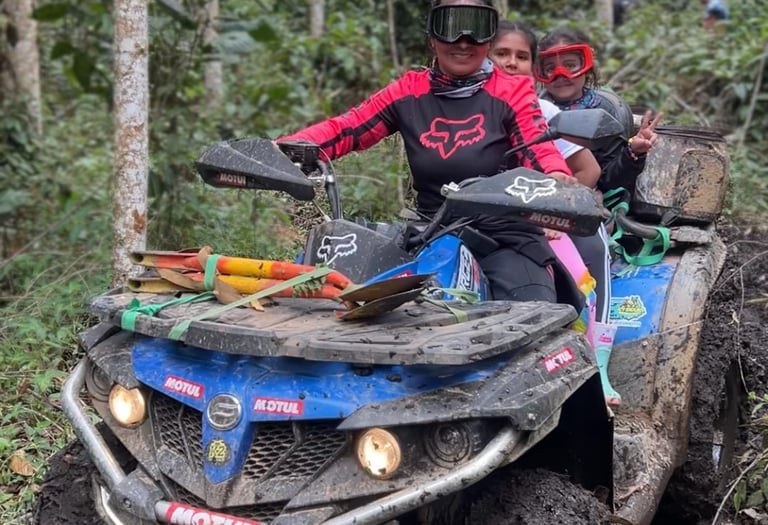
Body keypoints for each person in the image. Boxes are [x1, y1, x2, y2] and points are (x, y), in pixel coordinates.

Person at [278, 0, 581, 306]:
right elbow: (348, 128)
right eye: (450, 27)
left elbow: (537, 145)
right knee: (322, 296)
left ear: (489, 38)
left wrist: (556, 179)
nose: (463, 41)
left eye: (476, 29)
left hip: (504, 235)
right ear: (432, 36)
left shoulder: (512, 90)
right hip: (428, 232)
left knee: (537, 315)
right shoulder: (408, 90)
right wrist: (282, 150)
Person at [535, 26, 663, 406]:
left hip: (594, 202)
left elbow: (605, 177)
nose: (560, 76)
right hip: (534, 203)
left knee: (597, 257)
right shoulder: (530, 107)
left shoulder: (607, 110)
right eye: (550, 67)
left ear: (586, 68)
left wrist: (634, 152)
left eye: (570, 65)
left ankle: (600, 367)